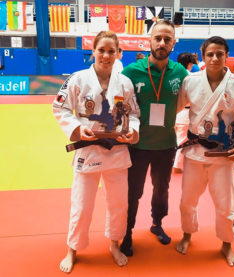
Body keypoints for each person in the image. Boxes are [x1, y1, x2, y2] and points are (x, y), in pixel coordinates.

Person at [53, 31, 140, 273]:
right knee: (81, 204)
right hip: (89, 149)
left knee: (118, 204)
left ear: (118, 53)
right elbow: (59, 108)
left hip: (117, 150)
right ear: (93, 51)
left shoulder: (125, 83)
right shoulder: (77, 79)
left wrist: (132, 130)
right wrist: (78, 129)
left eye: (111, 51)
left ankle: (114, 244)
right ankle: (73, 248)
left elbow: (133, 114)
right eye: (101, 50)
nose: (106, 55)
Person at [176, 36, 234, 266]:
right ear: (202, 56)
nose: (215, 58)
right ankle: (187, 235)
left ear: (226, 55)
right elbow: (172, 110)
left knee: (225, 204)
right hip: (195, 152)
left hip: (225, 154)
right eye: (210, 54)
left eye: (220, 54)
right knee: (187, 201)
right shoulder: (190, 81)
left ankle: (226, 244)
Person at [119, 19, 189, 256]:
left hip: (166, 145)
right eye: (158, 38)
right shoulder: (130, 71)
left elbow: (190, 99)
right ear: (149, 40)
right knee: (132, 192)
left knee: (162, 189)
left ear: (173, 43)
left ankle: (157, 224)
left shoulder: (180, 72)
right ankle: (126, 232)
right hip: (136, 145)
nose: (162, 43)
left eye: (167, 39)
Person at [173, 52, 195, 173]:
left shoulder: (173, 75)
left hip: (173, 112)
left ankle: (173, 162)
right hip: (185, 113)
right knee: (182, 140)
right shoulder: (190, 77)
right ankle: (176, 165)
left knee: (175, 138)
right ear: (190, 64)